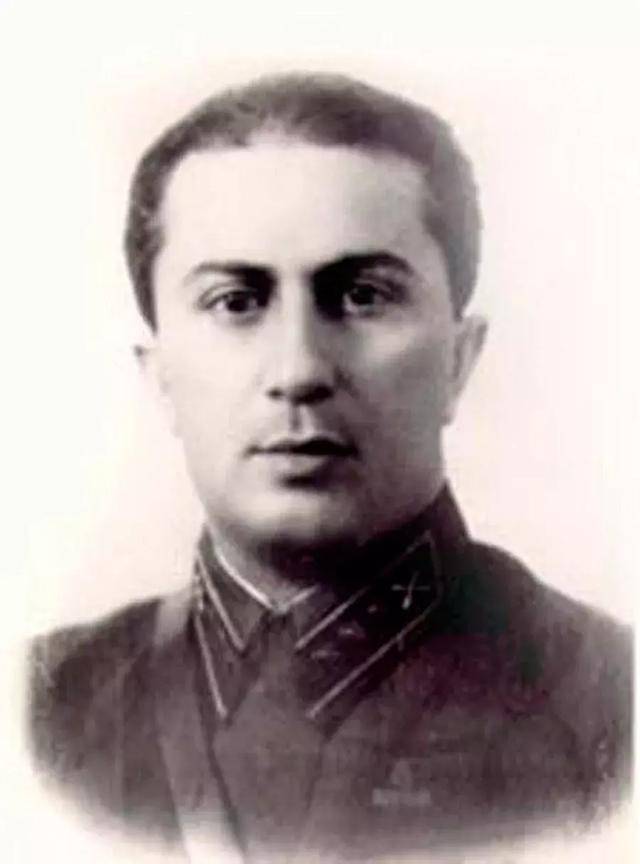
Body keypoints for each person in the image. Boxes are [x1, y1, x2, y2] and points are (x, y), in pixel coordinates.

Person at [28, 72, 632, 864]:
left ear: (458, 360)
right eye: (236, 301)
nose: (299, 369)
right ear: (160, 375)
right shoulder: (41, 716)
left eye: (362, 296)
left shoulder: (612, 708)